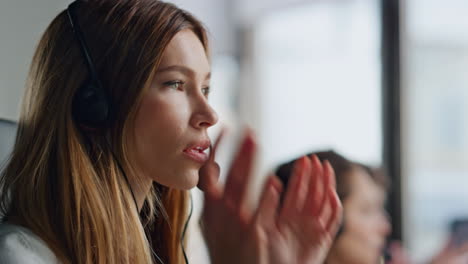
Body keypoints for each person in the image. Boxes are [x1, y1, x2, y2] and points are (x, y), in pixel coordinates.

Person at [0, 1, 342, 263]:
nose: (209, 115)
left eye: (205, 89)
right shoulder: (22, 255)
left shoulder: (157, 249)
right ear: (94, 102)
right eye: (176, 84)